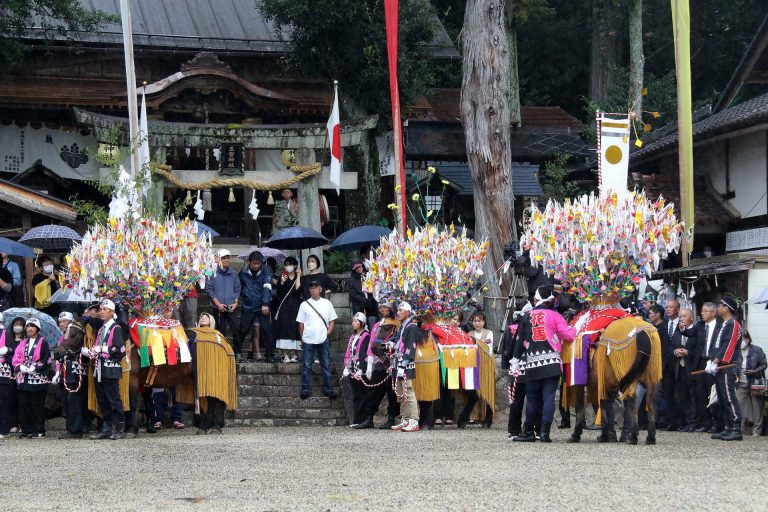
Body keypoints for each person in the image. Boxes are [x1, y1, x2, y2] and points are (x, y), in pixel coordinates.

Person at [511, 287, 575, 443]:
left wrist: (515, 360)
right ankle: (544, 433)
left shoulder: (527, 316)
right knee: (549, 398)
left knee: (532, 398)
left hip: (533, 362)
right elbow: (568, 335)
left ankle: (528, 432)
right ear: (550, 300)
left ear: (535, 300)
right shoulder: (556, 315)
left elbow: (520, 340)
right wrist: (575, 328)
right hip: (552, 362)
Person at [187, 312, 234, 435]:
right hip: (198, 368)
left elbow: (227, 351)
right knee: (202, 397)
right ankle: (206, 423)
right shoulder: (193, 333)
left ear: (212, 321)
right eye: (201, 317)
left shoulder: (217, 335)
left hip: (215, 368)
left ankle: (214, 424)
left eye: (206, 317)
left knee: (214, 396)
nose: (203, 318)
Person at [680, 302, 723, 433]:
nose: (702, 313)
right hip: (700, 361)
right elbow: (690, 333)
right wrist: (682, 329)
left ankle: (717, 423)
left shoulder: (720, 325)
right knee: (700, 392)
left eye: (705, 311)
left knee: (713, 392)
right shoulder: (700, 325)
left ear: (713, 313)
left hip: (713, 361)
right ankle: (705, 422)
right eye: (702, 311)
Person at [88, 300, 126, 440]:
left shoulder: (116, 328)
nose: (102, 312)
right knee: (102, 399)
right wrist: (93, 351)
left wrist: (102, 348)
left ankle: (119, 428)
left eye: (105, 309)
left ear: (112, 312)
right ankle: (106, 428)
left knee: (113, 399)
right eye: (101, 309)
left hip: (111, 367)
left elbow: (120, 349)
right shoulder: (101, 329)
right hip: (100, 367)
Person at [707, 297, 743, 441]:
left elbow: (729, 345)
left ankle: (736, 427)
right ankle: (727, 426)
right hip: (719, 366)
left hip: (728, 365)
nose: (718, 307)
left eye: (720, 305)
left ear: (727, 308)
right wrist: (711, 361)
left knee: (729, 396)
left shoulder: (734, 324)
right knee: (722, 396)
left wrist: (716, 361)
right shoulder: (723, 324)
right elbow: (717, 346)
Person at [296, 280, 338, 400]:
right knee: (307, 365)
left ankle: (328, 389)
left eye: (315, 287)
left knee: (325, 364)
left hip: (322, 338)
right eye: (311, 288)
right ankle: (305, 390)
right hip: (308, 338)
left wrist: (328, 332)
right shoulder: (304, 304)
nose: (313, 290)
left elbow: (332, 320)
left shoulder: (327, 303)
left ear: (320, 289)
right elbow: (300, 324)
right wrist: (302, 338)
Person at [12, 317, 51, 438]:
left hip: (37, 378)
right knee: (24, 404)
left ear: (37, 329)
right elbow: (16, 357)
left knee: (36, 405)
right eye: (28, 326)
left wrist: (36, 366)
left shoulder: (43, 342)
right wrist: (20, 366)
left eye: (32, 326)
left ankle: (39, 429)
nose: (30, 328)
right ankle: (26, 429)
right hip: (24, 377)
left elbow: (46, 358)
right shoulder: (23, 342)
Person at [52, 311, 88, 439]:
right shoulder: (62, 337)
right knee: (66, 401)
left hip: (74, 370)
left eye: (64, 321)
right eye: (60, 322)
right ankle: (70, 428)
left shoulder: (76, 332)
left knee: (74, 401)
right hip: (64, 371)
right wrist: (57, 372)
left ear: (71, 321)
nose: (62, 324)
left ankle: (76, 429)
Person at [366, 302, 401, 429]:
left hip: (392, 361)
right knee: (373, 391)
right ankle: (369, 418)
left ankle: (391, 418)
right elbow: (372, 343)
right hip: (379, 362)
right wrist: (370, 363)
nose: (382, 309)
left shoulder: (398, 324)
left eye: (385, 307)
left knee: (392, 392)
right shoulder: (377, 325)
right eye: (380, 307)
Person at [236, 251, 273, 363]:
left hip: (262, 306)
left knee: (267, 331)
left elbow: (267, 287)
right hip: (248, 306)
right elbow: (238, 286)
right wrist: (238, 299)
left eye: (258, 264)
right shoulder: (243, 272)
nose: (256, 266)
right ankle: (237, 352)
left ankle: (269, 355)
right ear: (249, 262)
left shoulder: (266, 271)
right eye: (254, 263)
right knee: (243, 330)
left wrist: (265, 303)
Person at [390, 302, 421, 432]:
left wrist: (404, 363)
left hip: (406, 362)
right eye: (397, 310)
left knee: (408, 390)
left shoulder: (412, 326)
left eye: (400, 310)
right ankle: (405, 418)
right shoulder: (402, 326)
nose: (397, 313)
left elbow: (410, 346)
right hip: (399, 360)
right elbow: (399, 342)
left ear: (408, 312)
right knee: (400, 392)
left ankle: (414, 420)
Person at [673, 308, 704, 432]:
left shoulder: (696, 331)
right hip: (679, 368)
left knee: (693, 395)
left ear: (691, 318)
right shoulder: (677, 332)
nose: (681, 319)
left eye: (684, 316)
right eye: (680, 316)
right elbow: (671, 347)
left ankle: (695, 422)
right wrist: (675, 352)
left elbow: (700, 350)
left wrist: (688, 352)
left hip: (692, 367)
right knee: (682, 395)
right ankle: (686, 421)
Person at [344, 312, 374, 428]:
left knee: (362, 395)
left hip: (361, 370)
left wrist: (361, 368)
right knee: (356, 395)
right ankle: (357, 419)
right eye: (353, 321)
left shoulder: (366, 336)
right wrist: (346, 366)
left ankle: (362, 419)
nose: (353, 323)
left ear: (362, 323)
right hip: (352, 369)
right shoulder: (353, 336)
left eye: (356, 321)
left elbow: (363, 353)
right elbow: (348, 352)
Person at [735, 330, 766, 437]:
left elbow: (764, 364)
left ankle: (757, 431)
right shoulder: (735, 351)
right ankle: (739, 429)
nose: (742, 342)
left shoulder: (757, 350)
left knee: (757, 407)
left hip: (755, 382)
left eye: (744, 339)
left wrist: (754, 371)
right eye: (740, 340)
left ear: (748, 339)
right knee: (738, 405)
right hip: (740, 382)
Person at [206, 249, 240, 342]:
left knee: (236, 330)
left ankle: (237, 350)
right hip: (218, 307)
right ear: (218, 259)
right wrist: (218, 304)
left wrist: (236, 303)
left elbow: (237, 289)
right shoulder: (211, 272)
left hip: (232, 306)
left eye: (227, 258)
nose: (226, 260)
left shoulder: (234, 273)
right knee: (220, 331)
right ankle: (221, 350)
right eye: (223, 258)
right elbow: (209, 289)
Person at [661, 299, 684, 431]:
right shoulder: (663, 325)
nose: (668, 309)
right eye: (667, 307)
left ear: (677, 309)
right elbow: (662, 346)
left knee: (680, 393)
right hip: (666, 364)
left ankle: (682, 421)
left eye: (671, 307)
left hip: (680, 364)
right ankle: (670, 421)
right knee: (667, 393)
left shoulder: (682, 324)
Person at [273, 257, 303, 363]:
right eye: (286, 264)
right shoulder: (282, 277)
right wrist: (281, 282)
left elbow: (298, 291)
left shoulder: (299, 278)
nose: (288, 266)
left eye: (290, 264)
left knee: (296, 328)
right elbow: (279, 294)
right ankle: (284, 354)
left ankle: (295, 354)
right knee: (284, 328)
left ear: (295, 266)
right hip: (284, 306)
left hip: (296, 306)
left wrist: (298, 276)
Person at [468, 311, 494, 427]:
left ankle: (487, 417)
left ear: (484, 322)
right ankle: (473, 416)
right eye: (475, 321)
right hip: (473, 364)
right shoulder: (469, 334)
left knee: (486, 390)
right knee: (474, 391)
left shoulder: (489, 333)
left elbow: (488, 349)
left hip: (486, 363)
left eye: (479, 321)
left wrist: (477, 344)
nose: (477, 323)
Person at [0, 313, 23, 438]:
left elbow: (13, 351)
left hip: (4, 371)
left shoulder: (6, 334)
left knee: (4, 400)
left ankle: (4, 429)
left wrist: (7, 350)